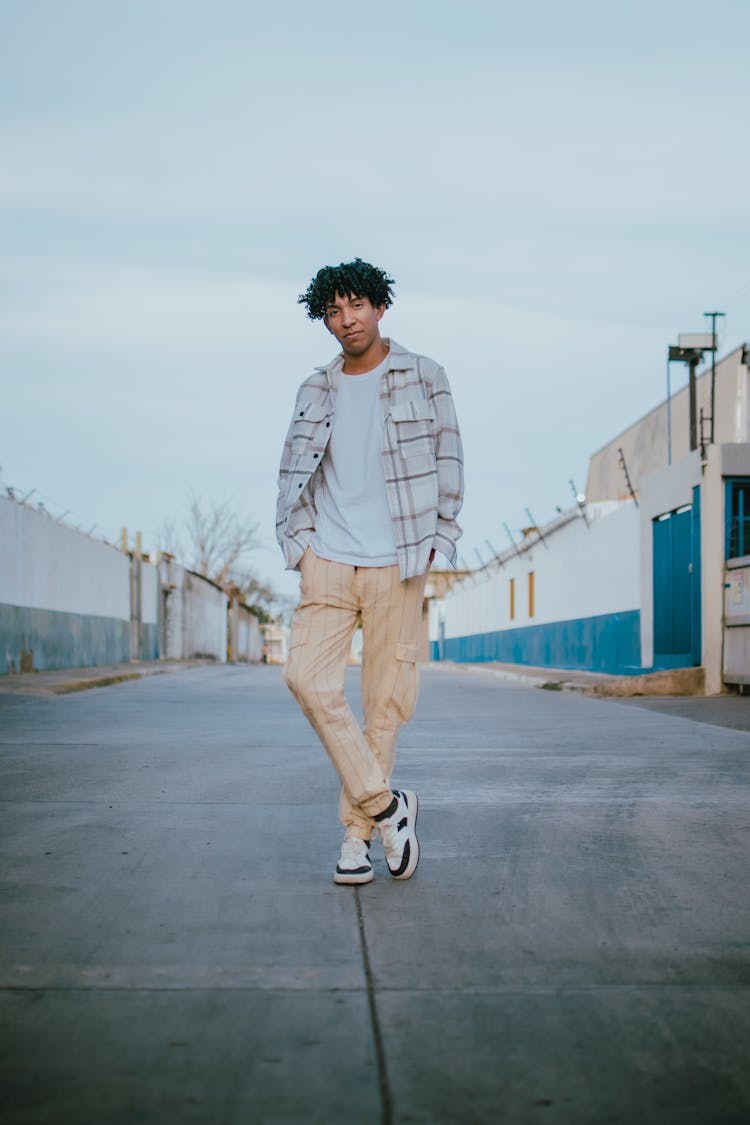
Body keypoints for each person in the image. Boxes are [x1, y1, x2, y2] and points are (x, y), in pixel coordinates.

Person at [276, 258, 463, 885]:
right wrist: (298, 542)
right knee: (306, 678)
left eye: (356, 305)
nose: (345, 319)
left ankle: (356, 839)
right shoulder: (315, 388)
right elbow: (291, 471)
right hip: (326, 558)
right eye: (332, 311)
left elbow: (449, 459)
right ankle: (388, 807)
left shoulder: (424, 376)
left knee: (383, 704)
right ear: (323, 320)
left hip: (398, 560)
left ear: (380, 307)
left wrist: (439, 539)